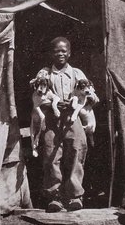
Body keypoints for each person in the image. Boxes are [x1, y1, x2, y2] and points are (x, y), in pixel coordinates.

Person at [34, 36, 97, 213]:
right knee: (50, 153)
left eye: (64, 51)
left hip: (72, 118)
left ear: (69, 53)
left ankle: (74, 196)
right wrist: (50, 103)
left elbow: (92, 95)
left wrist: (81, 99)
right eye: (56, 51)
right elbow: (37, 96)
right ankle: (55, 196)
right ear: (51, 54)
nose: (60, 54)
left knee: (77, 149)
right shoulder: (44, 74)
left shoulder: (77, 73)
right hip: (52, 118)